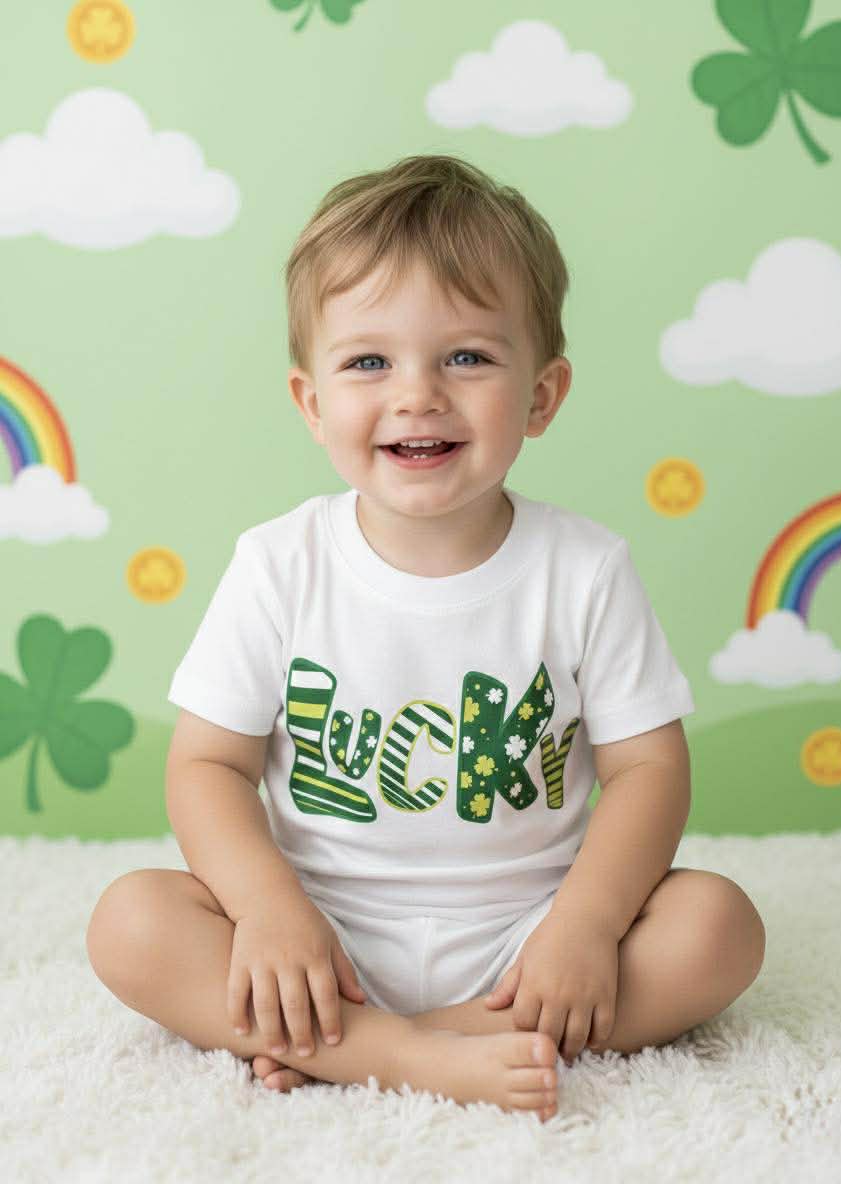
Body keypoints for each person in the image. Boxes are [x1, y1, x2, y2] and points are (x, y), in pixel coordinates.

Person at [86, 154, 766, 1123]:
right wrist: (270, 911)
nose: (418, 394)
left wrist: (585, 924)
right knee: (130, 920)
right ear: (311, 401)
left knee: (719, 925)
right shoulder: (279, 564)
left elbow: (648, 769)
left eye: (467, 357)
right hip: (321, 939)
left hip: (526, 942)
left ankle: (387, 1044)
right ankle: (405, 1049)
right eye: (369, 362)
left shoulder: (585, 570)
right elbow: (208, 764)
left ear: (542, 395)